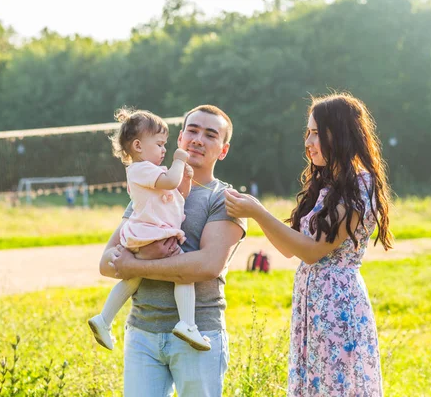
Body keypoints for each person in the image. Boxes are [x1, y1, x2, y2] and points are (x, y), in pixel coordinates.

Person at [225, 93, 393, 396]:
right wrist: (257, 215)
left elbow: (312, 251)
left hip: (337, 303)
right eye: (308, 133)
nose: (308, 141)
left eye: (316, 133)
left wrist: (258, 211)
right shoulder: (327, 185)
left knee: (337, 386)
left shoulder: (360, 185)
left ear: (338, 134)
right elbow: (291, 248)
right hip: (311, 301)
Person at [100, 105, 247, 396]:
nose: (198, 139)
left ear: (223, 150)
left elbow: (207, 266)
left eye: (210, 134)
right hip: (142, 331)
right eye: (192, 130)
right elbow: (107, 263)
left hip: (198, 333)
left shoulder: (226, 199)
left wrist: (136, 264)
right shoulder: (152, 186)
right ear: (179, 139)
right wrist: (131, 259)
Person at [88, 108, 211, 352]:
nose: (164, 150)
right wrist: (178, 160)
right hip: (151, 234)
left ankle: (104, 318)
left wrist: (184, 178)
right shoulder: (139, 169)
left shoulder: (152, 172)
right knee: (183, 273)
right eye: (159, 144)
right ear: (138, 146)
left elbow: (178, 194)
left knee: (133, 278)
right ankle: (187, 323)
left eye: (166, 145)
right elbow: (169, 183)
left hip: (150, 235)